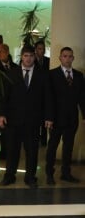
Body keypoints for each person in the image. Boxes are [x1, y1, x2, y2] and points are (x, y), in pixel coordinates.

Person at [0, 45, 53, 188]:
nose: (28, 59)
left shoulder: (42, 75)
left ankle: (30, 177)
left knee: (32, 150)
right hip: (13, 119)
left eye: (31, 56)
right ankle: (9, 176)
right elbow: (4, 96)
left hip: (33, 120)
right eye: (25, 56)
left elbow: (48, 97)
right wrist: (2, 114)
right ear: (21, 57)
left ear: (35, 57)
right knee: (12, 150)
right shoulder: (12, 73)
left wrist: (48, 117)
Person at [45, 47, 85, 185]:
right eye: (65, 56)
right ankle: (49, 174)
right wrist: (48, 118)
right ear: (60, 58)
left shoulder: (79, 76)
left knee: (68, 147)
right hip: (55, 118)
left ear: (73, 58)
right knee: (52, 147)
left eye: (70, 56)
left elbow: (82, 98)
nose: (67, 59)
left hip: (72, 118)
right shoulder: (52, 74)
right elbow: (49, 98)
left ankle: (65, 173)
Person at [0, 43, 19, 160]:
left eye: (3, 51)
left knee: (7, 132)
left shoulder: (15, 67)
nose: (0, 53)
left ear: (7, 52)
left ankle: (6, 152)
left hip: (11, 104)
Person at [34, 40, 50, 146]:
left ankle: (44, 140)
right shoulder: (32, 61)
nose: (42, 50)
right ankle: (35, 139)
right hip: (35, 93)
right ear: (36, 50)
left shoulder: (48, 61)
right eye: (39, 48)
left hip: (45, 92)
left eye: (43, 48)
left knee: (45, 117)